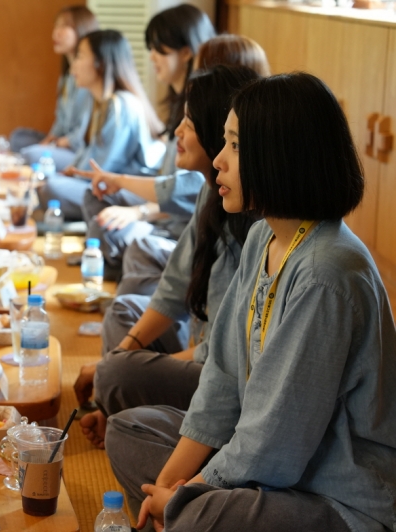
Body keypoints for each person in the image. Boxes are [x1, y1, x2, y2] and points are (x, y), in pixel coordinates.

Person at [108, 72, 396, 532]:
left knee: (207, 515)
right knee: (128, 431)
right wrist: (171, 483)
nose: (218, 161)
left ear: (281, 155)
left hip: (335, 498)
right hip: (273, 472)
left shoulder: (326, 273)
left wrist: (187, 496)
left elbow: (275, 443)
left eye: (236, 146)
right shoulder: (265, 236)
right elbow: (221, 378)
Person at [74, 65, 260, 450]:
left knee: (119, 377)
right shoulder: (212, 194)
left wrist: (122, 370)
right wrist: (125, 357)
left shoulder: (258, 229)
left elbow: (225, 355)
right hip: (203, 346)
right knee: (125, 314)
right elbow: (174, 289)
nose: (176, 131)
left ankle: (127, 415)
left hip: (223, 374)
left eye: (188, 122)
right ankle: (122, 411)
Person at [76, 33, 264, 285]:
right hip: (167, 225)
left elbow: (173, 192)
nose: (195, 72)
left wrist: (137, 209)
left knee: (138, 249)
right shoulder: (207, 184)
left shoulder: (226, 181)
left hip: (169, 229)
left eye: (203, 66)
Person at [37, 29, 162, 221]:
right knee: (46, 183)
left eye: (80, 56)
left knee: (51, 188)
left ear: (100, 62)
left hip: (127, 190)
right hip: (105, 182)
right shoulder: (100, 102)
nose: (73, 66)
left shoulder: (121, 105)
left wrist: (66, 177)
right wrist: (71, 170)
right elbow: (90, 152)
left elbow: (105, 167)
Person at [9, 5, 99, 170]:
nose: (56, 32)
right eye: (56, 26)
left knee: (32, 154)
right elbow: (60, 123)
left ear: (81, 29)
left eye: (64, 26)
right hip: (62, 143)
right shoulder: (66, 78)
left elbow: (83, 134)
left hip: (77, 149)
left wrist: (56, 144)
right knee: (18, 137)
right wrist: (49, 141)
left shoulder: (89, 79)